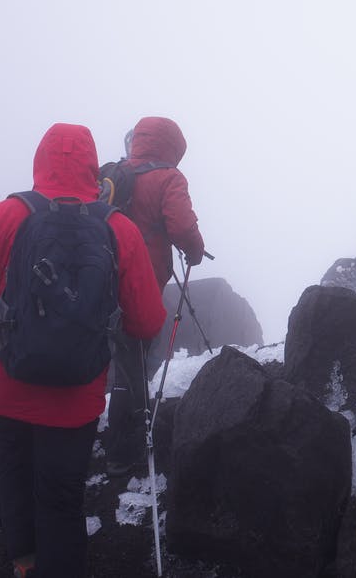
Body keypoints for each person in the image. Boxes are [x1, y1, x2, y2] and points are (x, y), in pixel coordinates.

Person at [0, 123, 166, 578]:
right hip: (75, 399)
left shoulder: (2, 217)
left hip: (6, 387)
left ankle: (25, 565)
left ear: (39, 162)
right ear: (91, 168)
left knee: (15, 481)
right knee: (61, 498)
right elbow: (147, 321)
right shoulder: (118, 228)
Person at [103, 116, 207, 476]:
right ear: (173, 147)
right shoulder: (168, 177)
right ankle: (124, 445)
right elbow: (180, 226)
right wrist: (194, 251)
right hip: (141, 280)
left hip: (101, 278)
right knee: (136, 358)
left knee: (121, 355)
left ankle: (113, 433)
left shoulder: (115, 173)